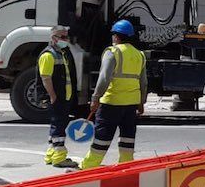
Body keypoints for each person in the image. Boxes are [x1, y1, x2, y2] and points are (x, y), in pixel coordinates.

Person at [80, 19, 147, 169]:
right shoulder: (139, 55)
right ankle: (126, 166)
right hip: (130, 105)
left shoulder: (113, 52)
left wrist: (95, 98)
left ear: (116, 36)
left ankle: (88, 167)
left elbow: (104, 78)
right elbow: (143, 82)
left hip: (111, 102)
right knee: (127, 139)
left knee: (101, 139)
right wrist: (141, 102)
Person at [38, 25, 77, 168]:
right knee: (59, 127)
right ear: (53, 38)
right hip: (57, 97)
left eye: (67, 36)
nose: (66, 40)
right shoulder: (48, 55)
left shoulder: (61, 53)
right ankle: (60, 158)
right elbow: (45, 78)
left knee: (57, 125)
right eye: (62, 37)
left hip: (63, 96)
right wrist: (53, 96)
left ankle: (51, 154)